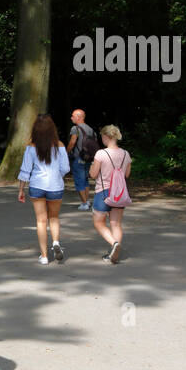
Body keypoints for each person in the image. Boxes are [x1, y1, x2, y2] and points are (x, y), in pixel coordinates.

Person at [17, 114, 70, 265]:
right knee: (54, 217)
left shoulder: (31, 146)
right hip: (55, 186)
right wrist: (56, 176)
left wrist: (21, 190)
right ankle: (55, 242)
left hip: (37, 185)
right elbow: (65, 168)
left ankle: (44, 256)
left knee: (41, 221)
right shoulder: (59, 145)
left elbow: (25, 170)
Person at [89, 124, 131, 262]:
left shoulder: (101, 153)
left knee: (98, 222)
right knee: (116, 224)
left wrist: (91, 168)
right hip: (119, 192)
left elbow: (94, 174)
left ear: (106, 137)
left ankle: (114, 244)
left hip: (104, 192)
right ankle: (114, 253)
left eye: (102, 136)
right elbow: (127, 174)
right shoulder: (126, 154)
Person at [67, 109, 97, 210]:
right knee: (85, 180)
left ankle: (84, 203)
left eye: (73, 116)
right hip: (88, 158)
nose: (71, 118)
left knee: (79, 180)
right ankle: (86, 201)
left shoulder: (75, 128)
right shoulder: (91, 130)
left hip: (78, 158)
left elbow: (72, 142)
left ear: (79, 117)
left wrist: (66, 152)